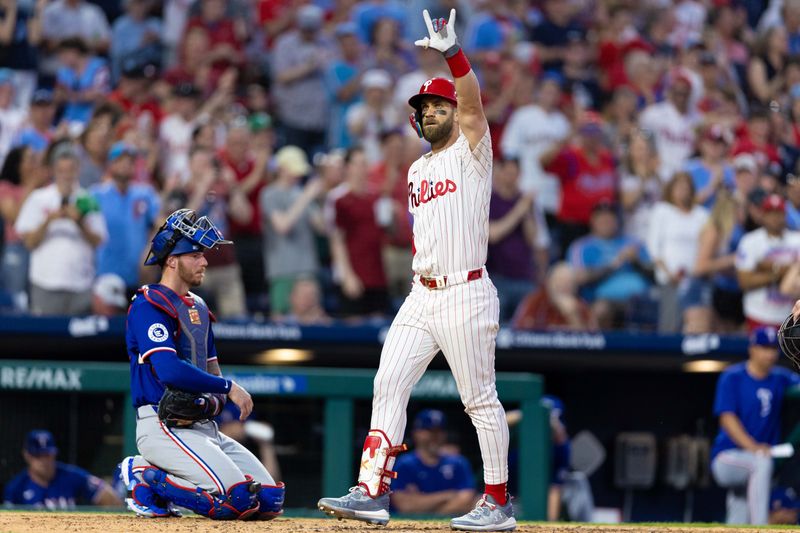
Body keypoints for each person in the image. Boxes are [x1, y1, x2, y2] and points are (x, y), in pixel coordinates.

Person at [318, 10, 517, 531]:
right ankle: (371, 490)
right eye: (424, 106)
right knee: (387, 383)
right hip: (421, 294)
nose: (430, 111)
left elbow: (472, 103)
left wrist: (452, 55)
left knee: (479, 399)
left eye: (437, 104)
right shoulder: (416, 168)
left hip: (466, 291)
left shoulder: (474, 150)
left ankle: (497, 502)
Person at [116, 208, 284, 520]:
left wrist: (217, 399)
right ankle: (144, 474)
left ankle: (159, 482)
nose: (204, 261)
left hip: (203, 427)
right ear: (171, 260)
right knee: (238, 500)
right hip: (162, 425)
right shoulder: (148, 304)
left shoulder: (199, 306)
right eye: (194, 254)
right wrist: (228, 388)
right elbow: (168, 370)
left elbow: (211, 366)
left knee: (269, 499)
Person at [710, 326, 800, 525]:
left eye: (772, 349)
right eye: (764, 348)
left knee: (740, 508)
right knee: (760, 464)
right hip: (728, 457)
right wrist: (754, 448)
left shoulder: (780, 377)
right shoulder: (733, 376)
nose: (769, 354)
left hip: (756, 460)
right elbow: (727, 418)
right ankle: (761, 527)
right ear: (752, 348)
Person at [14, 146, 107, 316]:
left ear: (78, 170)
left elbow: (99, 241)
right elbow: (28, 242)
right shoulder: (38, 198)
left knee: (80, 341)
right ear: (53, 171)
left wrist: (80, 222)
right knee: (44, 339)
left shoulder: (87, 199)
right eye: (61, 170)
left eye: (70, 170)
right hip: (45, 284)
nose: (66, 175)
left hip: (80, 285)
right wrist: (48, 221)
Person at [3, 429, 122, 509]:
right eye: (38, 456)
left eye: (47, 455)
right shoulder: (16, 488)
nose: (44, 461)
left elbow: (110, 498)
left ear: (54, 453)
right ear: (27, 455)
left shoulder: (71, 475)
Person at [390, 409, 478, 516]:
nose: (434, 436)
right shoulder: (404, 464)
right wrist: (448, 496)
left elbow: (466, 499)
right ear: (416, 433)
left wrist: (421, 505)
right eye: (429, 430)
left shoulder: (458, 462)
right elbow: (404, 506)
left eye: (439, 431)